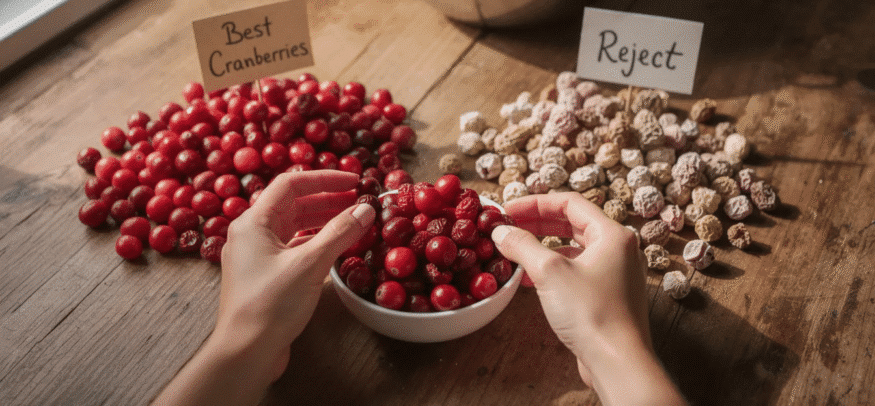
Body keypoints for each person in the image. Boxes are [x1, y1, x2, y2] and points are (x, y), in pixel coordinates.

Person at [153, 170, 686, 406]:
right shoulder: (409, 252)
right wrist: (619, 355)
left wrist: (241, 345)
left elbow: (438, 251)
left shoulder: (432, 250)